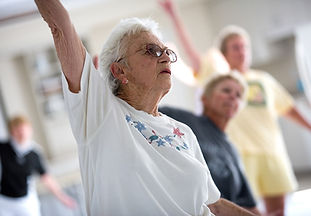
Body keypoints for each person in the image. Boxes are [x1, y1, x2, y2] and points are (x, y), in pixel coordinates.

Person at [34, 0, 257, 215]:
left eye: (167, 52)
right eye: (151, 50)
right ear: (119, 71)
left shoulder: (185, 132)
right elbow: (59, 24)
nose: (165, 59)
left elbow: (214, 204)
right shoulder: (101, 114)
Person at [159, 0, 311, 215]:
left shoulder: (264, 79)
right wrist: (174, 15)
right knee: (240, 207)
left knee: (278, 211)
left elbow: (289, 109)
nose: (242, 52)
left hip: (272, 152)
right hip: (240, 155)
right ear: (225, 53)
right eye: (235, 47)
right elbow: (192, 54)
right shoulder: (218, 78)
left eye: (245, 46)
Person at [160, 72, 260, 215]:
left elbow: (248, 204)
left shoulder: (232, 150)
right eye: (226, 90)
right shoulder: (179, 119)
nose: (233, 96)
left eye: (238, 95)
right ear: (204, 98)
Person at [0, 115, 76, 216]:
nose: (21, 133)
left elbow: (46, 177)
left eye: (24, 130)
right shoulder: (3, 148)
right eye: (17, 130)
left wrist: (62, 197)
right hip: (5, 201)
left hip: (26, 201)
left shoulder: (34, 153)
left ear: (29, 130)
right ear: (12, 132)